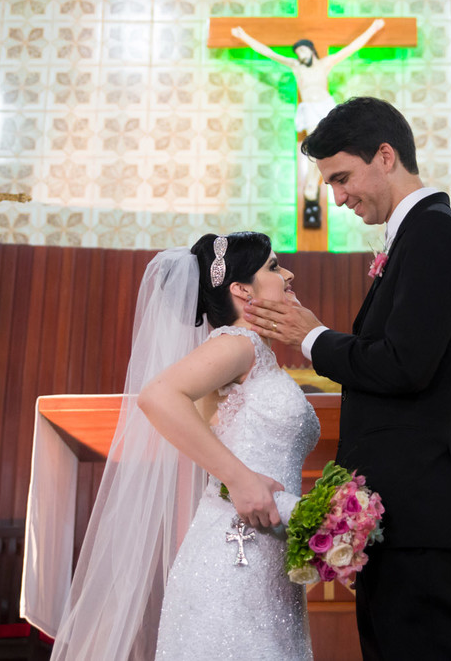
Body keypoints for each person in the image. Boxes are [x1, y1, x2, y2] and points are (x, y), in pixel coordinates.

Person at [244, 97, 451, 660]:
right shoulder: (413, 237)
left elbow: (405, 364)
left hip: (423, 519)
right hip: (398, 520)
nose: (336, 197)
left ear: (385, 156)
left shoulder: (435, 233)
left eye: (341, 177)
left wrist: (311, 337)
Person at [49, 233, 318, 660]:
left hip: (265, 558)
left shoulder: (257, 355)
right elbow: (157, 396)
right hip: (234, 557)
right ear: (241, 289)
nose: (287, 273)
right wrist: (240, 479)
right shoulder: (237, 343)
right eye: (273, 266)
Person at [231, 19, 385, 229]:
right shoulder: (295, 66)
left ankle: (315, 182)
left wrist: (373, 29)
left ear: (311, 50)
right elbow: (268, 53)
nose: (300, 55)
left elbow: (352, 48)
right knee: (316, 148)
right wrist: (243, 36)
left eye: (302, 50)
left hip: (325, 106)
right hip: (310, 109)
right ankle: (314, 182)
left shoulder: (325, 64)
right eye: (297, 52)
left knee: (329, 149)